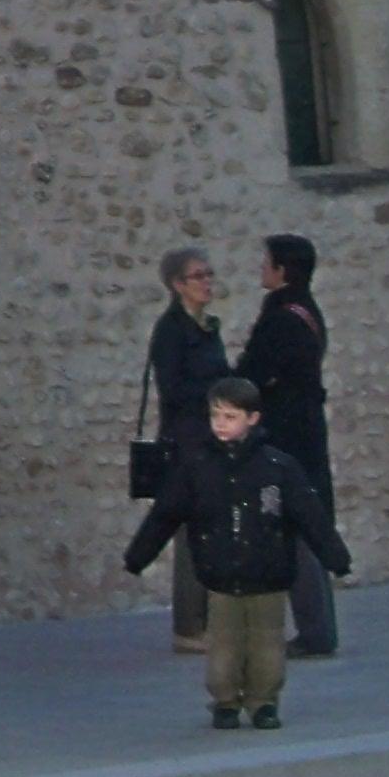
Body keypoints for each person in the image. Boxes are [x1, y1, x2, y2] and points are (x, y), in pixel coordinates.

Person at [125, 375, 350, 730]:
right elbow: (165, 514)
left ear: (252, 418)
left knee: (266, 648)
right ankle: (225, 700)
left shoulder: (277, 468)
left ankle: (263, 701)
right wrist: (138, 555)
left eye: (230, 417)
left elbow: (310, 516)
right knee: (224, 650)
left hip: (269, 573)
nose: (221, 425)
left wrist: (336, 558)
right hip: (221, 574)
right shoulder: (198, 468)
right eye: (216, 416)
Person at [237, 235, 337, 657]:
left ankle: (314, 631)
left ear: (282, 270)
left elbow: (253, 373)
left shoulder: (283, 318)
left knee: (295, 532)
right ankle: (314, 628)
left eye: (267, 263)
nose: (262, 268)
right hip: (304, 434)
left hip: (287, 437)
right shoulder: (305, 312)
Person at [143, 246, 231, 655]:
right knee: (191, 533)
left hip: (215, 439)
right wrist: (215, 393)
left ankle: (211, 619)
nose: (207, 282)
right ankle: (188, 624)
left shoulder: (208, 328)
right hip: (187, 443)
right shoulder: (171, 330)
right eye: (199, 276)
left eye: (209, 274)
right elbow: (173, 390)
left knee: (213, 530)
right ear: (178, 285)